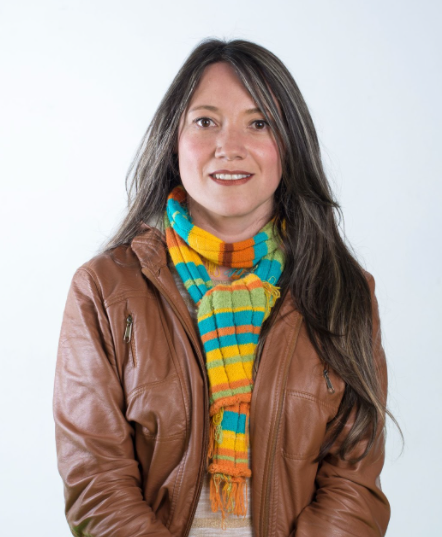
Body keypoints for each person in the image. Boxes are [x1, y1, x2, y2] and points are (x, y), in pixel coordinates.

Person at [54, 38, 395, 537]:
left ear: (290, 144)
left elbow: (354, 483)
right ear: (173, 139)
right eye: (205, 121)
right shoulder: (104, 289)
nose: (229, 147)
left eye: (259, 124)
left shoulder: (342, 290)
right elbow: (96, 482)